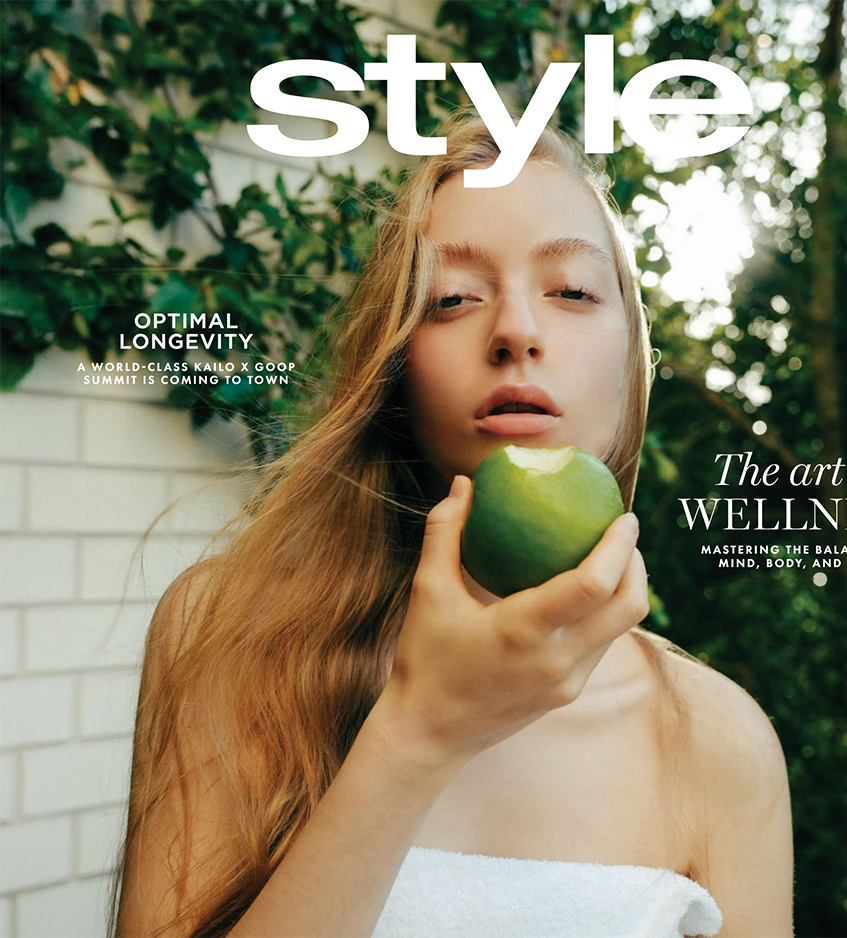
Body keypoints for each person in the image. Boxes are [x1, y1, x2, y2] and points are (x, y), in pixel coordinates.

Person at [110, 108, 794, 938]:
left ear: (630, 361)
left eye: (573, 290)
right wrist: (419, 734)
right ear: (394, 366)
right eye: (452, 298)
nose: (515, 330)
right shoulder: (228, 636)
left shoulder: (720, 740)